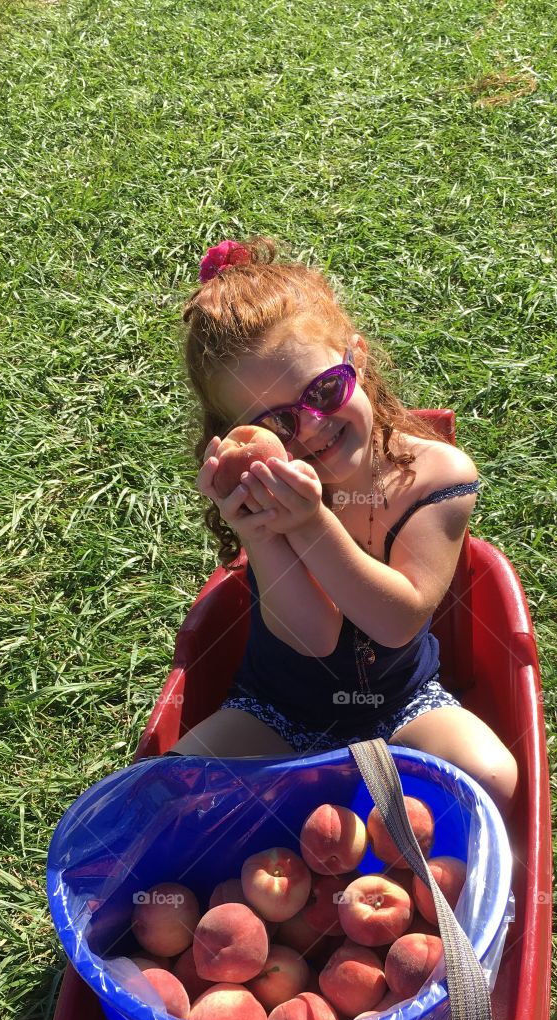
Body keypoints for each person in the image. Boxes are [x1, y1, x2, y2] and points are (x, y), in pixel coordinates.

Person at [167, 236, 518, 818]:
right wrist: (261, 530)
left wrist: (311, 524)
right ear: (234, 433)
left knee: (492, 779)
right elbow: (314, 638)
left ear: (355, 357)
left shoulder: (434, 476)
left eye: (324, 390)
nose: (310, 428)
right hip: (276, 709)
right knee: (166, 801)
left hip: (402, 704)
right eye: (275, 420)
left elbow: (397, 619)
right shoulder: (266, 486)